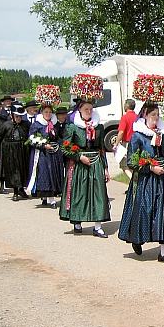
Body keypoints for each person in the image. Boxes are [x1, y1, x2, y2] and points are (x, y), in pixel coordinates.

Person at [119, 102, 164, 263]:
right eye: (152, 114)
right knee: (145, 212)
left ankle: (163, 252)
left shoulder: (162, 133)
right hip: (147, 180)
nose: (156, 118)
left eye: (157, 114)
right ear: (145, 116)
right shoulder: (137, 136)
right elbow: (132, 162)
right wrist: (150, 168)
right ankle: (137, 239)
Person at [59, 100, 111, 237]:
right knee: (80, 192)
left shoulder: (98, 127)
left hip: (96, 162)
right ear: (80, 110)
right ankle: (77, 221)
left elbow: (101, 149)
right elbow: (65, 147)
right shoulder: (73, 127)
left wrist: (105, 168)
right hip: (79, 164)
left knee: (98, 193)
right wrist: (78, 156)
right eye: (86, 109)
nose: (89, 111)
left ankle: (98, 226)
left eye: (91, 109)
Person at [25, 104, 63, 208]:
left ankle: (49, 197)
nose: (48, 114)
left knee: (53, 174)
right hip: (42, 155)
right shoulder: (36, 125)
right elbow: (31, 140)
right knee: (45, 175)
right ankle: (50, 198)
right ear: (42, 113)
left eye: (50, 112)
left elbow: (59, 137)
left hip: (53, 154)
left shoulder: (54, 124)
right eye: (46, 112)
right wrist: (43, 145)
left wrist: (58, 145)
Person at [0, 105, 30, 201]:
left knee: (23, 169)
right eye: (16, 116)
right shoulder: (6, 125)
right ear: (12, 116)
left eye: (20, 116)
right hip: (11, 150)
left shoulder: (26, 124)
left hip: (23, 149)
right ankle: (15, 191)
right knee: (14, 170)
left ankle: (21, 189)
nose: (19, 118)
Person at [113, 99, 137, 180]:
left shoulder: (125, 117)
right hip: (137, 143)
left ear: (126, 106)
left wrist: (116, 144)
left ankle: (133, 182)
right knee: (134, 164)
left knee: (124, 165)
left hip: (127, 143)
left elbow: (121, 132)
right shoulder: (137, 117)